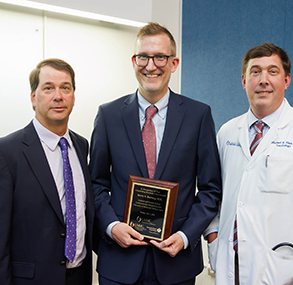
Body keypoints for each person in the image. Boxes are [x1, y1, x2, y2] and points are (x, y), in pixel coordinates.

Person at [89, 22, 222, 285]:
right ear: (133, 61)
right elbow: (95, 183)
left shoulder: (198, 116)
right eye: (144, 57)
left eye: (160, 56)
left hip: (175, 263)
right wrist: (111, 226)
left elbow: (210, 189)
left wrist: (186, 235)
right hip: (119, 261)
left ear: (174, 63)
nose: (151, 65)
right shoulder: (109, 115)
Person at [205, 43, 293, 285]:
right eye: (255, 72)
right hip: (231, 266)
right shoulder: (227, 132)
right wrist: (213, 235)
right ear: (243, 80)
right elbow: (212, 191)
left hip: (283, 271)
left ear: (287, 80)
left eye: (272, 71)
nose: (263, 80)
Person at [0, 58, 94, 285]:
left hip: (80, 277)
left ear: (73, 96)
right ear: (33, 97)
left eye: (65, 88)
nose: (58, 96)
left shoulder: (81, 146)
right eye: (48, 88)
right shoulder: (3, 153)